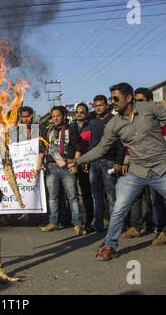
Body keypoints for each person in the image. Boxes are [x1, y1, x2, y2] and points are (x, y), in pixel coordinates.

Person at [68, 82, 166, 259]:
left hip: (162, 169)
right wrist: (77, 160)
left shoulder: (149, 109)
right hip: (137, 171)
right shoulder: (114, 123)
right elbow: (101, 148)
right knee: (119, 207)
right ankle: (110, 246)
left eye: (115, 98)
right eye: (111, 98)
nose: (113, 102)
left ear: (128, 98)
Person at [121, 87, 166, 245]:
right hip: (137, 165)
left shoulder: (158, 119)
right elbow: (130, 144)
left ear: (150, 101)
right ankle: (137, 227)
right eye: (136, 101)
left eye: (141, 101)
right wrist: (126, 161)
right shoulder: (133, 119)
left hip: (156, 165)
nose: (138, 104)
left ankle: (162, 230)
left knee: (157, 198)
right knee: (136, 197)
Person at [38, 105, 85, 235]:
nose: (55, 118)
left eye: (58, 115)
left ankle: (78, 224)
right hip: (52, 167)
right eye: (53, 116)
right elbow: (42, 149)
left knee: (73, 197)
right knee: (52, 198)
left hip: (66, 167)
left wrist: (75, 163)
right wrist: (39, 163)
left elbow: (78, 147)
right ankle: (53, 222)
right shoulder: (47, 132)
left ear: (64, 116)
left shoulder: (71, 130)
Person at [86, 95, 125, 233]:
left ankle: (115, 226)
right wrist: (87, 160)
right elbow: (92, 143)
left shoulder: (114, 120)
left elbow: (121, 143)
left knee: (111, 195)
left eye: (101, 105)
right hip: (94, 163)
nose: (98, 108)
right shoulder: (93, 122)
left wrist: (119, 162)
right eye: (95, 105)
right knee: (96, 196)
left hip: (109, 162)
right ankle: (98, 225)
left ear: (107, 106)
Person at [70, 103, 94, 232]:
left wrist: (87, 160)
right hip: (74, 163)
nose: (79, 114)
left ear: (87, 114)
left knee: (87, 193)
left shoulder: (91, 126)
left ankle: (88, 221)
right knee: (75, 194)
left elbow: (94, 145)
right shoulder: (71, 127)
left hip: (87, 162)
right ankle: (77, 221)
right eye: (77, 112)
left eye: (82, 112)